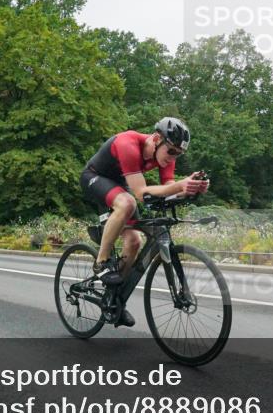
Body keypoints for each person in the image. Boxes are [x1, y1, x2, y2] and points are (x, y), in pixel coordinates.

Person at [80, 117, 209, 327]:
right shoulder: (128, 143)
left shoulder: (166, 154)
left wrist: (191, 188)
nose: (173, 157)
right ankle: (101, 262)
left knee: (134, 241)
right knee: (128, 202)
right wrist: (180, 185)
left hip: (120, 183)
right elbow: (141, 193)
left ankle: (114, 299)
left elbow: (168, 190)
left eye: (178, 154)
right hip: (94, 177)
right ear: (157, 139)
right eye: (172, 151)